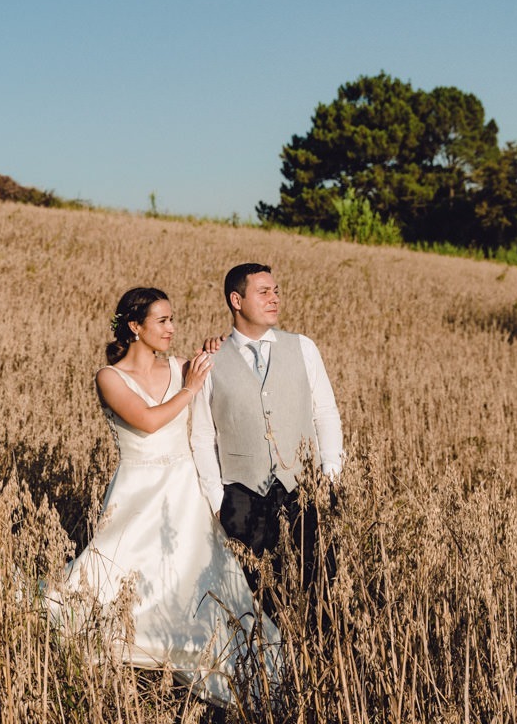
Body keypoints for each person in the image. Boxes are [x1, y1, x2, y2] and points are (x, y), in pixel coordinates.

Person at [44, 287, 279, 707]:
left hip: (183, 491)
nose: (172, 328)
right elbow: (150, 421)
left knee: (192, 572)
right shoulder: (109, 377)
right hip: (136, 492)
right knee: (114, 575)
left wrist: (213, 349)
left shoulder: (179, 366)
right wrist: (188, 388)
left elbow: (223, 363)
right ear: (135, 327)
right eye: (163, 321)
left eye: (173, 320)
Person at [189, 263, 343, 598]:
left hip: (305, 487)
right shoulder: (210, 360)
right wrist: (218, 499)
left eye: (276, 291)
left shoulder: (303, 347)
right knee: (254, 596)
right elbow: (202, 436)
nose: (274, 298)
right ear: (236, 300)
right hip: (243, 496)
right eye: (264, 292)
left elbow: (326, 414)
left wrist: (330, 477)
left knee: (319, 587)